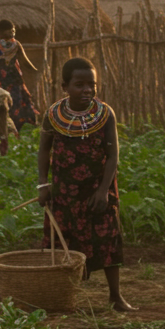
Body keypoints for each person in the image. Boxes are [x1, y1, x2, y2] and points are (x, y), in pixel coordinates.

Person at [38, 57, 135, 311]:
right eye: (79, 85)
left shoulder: (105, 114)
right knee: (63, 244)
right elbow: (43, 152)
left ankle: (116, 297)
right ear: (64, 86)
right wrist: (42, 185)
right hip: (65, 191)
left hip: (99, 190)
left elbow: (113, 155)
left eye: (91, 84)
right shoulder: (52, 116)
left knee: (108, 239)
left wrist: (103, 191)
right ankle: (62, 299)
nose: (87, 90)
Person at [0, 19, 40, 130]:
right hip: (1, 81)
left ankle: (19, 127)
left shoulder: (16, 45)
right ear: (0, 33)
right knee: (4, 103)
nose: (12, 33)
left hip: (15, 80)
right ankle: (7, 128)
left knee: (18, 101)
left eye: (13, 30)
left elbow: (24, 61)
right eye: (9, 31)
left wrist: (35, 70)